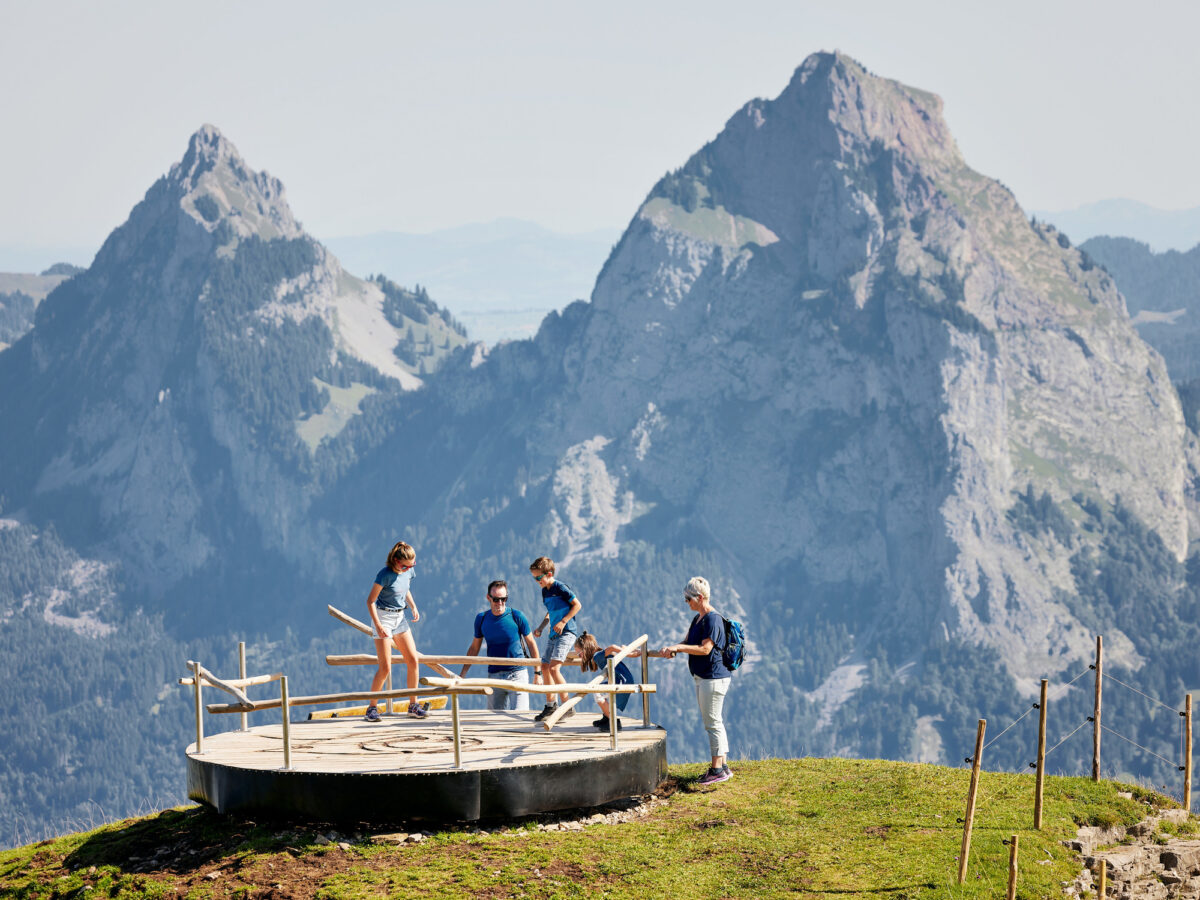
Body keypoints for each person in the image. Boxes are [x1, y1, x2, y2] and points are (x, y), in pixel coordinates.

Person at [662, 576, 732, 784]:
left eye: (688, 599)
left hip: (713, 678)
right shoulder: (698, 619)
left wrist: (678, 648)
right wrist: (672, 648)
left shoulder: (712, 619)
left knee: (712, 723)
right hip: (703, 677)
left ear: (700, 598)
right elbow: (687, 642)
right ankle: (723, 766)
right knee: (714, 720)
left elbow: (705, 649)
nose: (686, 602)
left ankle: (717, 770)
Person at [363, 541, 429, 722]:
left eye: (412, 565)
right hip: (383, 618)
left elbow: (405, 589)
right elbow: (370, 601)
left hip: (400, 617)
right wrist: (378, 625)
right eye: (405, 566)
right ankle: (372, 708)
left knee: (413, 660)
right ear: (396, 561)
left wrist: (413, 606)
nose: (409, 569)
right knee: (385, 667)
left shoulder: (408, 571)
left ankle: (413, 705)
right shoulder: (384, 575)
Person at [460, 580, 539, 711]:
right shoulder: (481, 619)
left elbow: (531, 643)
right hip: (494, 675)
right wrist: (463, 673)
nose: (500, 603)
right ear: (488, 598)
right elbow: (474, 648)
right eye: (496, 599)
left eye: (504, 599)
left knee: (520, 716)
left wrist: (537, 673)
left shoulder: (517, 616)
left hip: (517, 673)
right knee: (494, 718)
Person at [529, 556, 582, 721]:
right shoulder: (545, 591)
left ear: (549, 574)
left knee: (554, 668)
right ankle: (551, 705)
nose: (537, 581)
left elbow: (577, 605)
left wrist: (563, 621)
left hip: (566, 632)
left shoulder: (560, 587)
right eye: (534, 578)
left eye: (539, 577)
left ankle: (568, 706)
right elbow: (550, 612)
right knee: (545, 666)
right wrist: (541, 627)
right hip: (553, 633)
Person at [575, 632, 635, 731]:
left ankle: (613, 721)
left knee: (597, 692)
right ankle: (607, 717)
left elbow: (611, 648)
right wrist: (625, 650)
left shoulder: (597, 656)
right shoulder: (598, 655)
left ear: (586, 649)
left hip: (622, 681)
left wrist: (629, 653)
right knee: (599, 691)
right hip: (622, 679)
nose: (579, 656)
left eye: (579, 653)